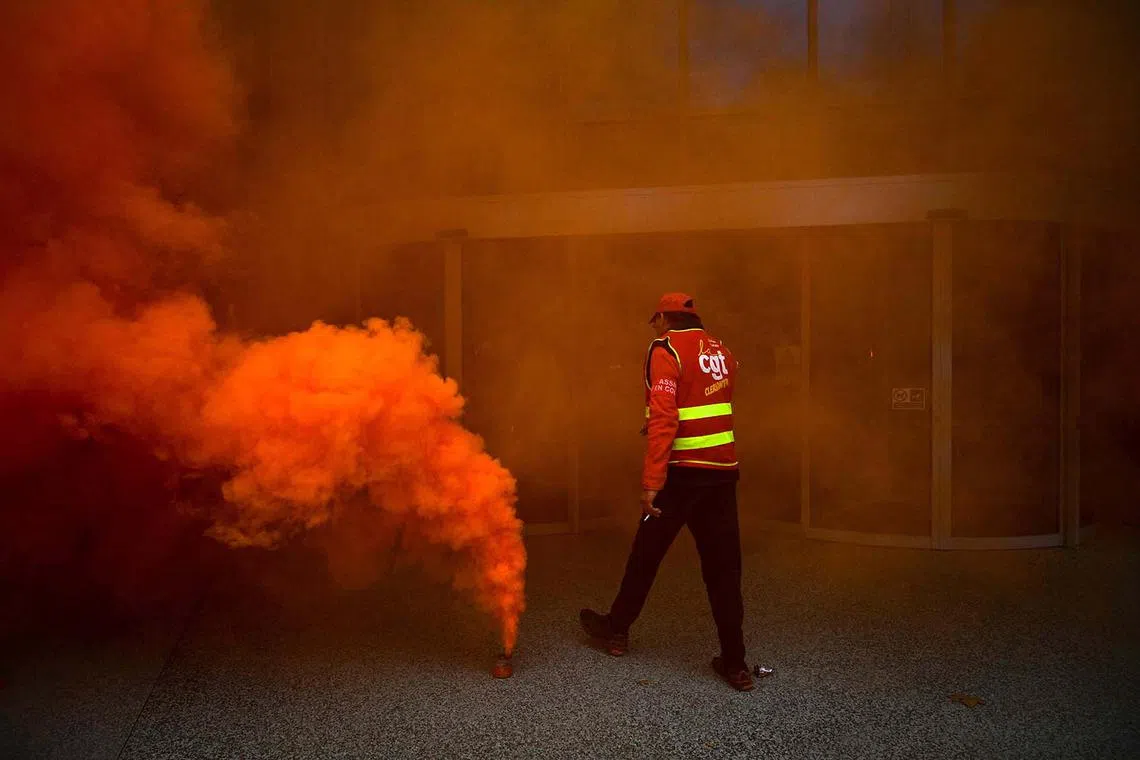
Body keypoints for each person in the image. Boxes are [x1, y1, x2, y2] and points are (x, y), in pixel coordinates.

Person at [580, 292, 768, 692]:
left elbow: (666, 414)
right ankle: (735, 664)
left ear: (665, 319)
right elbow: (710, 399)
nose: (654, 327)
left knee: (645, 554)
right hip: (721, 475)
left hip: (680, 476)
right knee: (724, 571)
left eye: (655, 320)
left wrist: (652, 482)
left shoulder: (665, 349)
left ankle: (616, 631)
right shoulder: (721, 349)